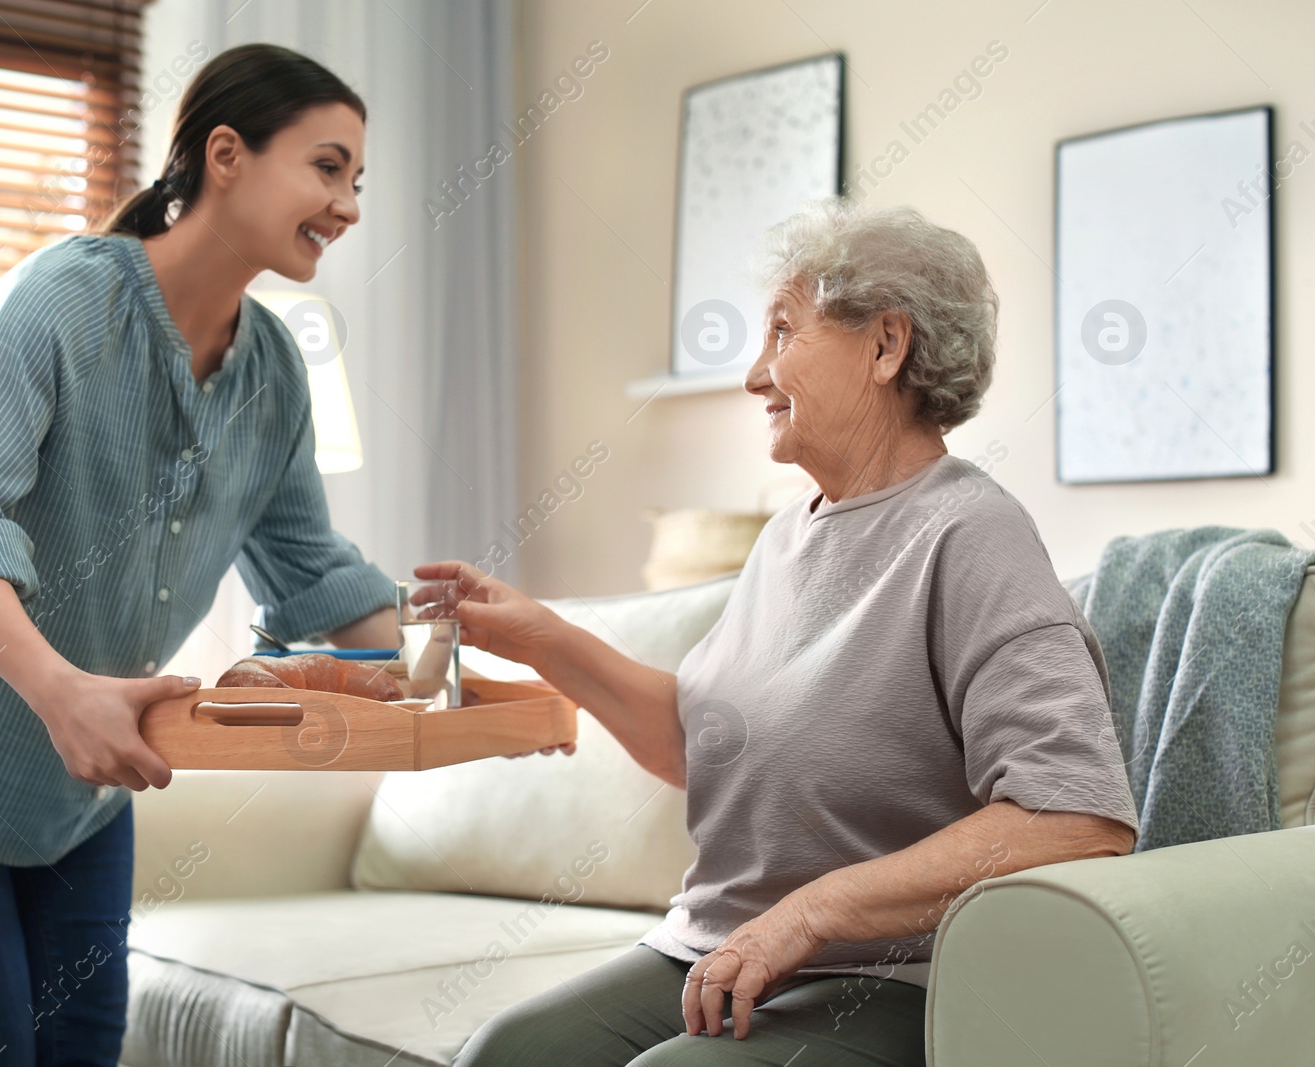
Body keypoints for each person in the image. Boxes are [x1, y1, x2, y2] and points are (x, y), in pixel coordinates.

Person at [0, 43, 396, 1066]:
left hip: (80, 788)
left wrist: (464, 681)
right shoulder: (59, 299)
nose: (348, 205)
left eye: (356, 180)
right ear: (227, 154)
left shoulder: (277, 369)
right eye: (327, 168)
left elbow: (314, 571)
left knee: (81, 1050)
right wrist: (63, 691)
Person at [430, 202, 1141, 1066]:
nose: (754, 375)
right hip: (719, 951)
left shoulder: (969, 533)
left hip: (898, 976)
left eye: (782, 330)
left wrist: (811, 912)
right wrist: (545, 637)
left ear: (886, 345)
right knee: (504, 1054)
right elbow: (703, 746)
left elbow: (1078, 818)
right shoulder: (786, 537)